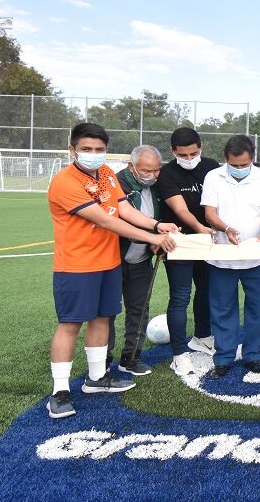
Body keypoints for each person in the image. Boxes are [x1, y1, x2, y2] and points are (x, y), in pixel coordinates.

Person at [45, 123, 178, 419]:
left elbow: (123, 209)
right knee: (70, 324)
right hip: (77, 265)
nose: (93, 155)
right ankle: (60, 391)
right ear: (72, 150)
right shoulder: (65, 182)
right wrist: (154, 238)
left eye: (99, 150)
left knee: (103, 318)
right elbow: (107, 221)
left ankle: (97, 378)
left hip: (109, 262)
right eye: (86, 149)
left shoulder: (106, 175)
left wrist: (156, 225)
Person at [200, 134, 260, 378]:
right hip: (222, 256)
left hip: (256, 257)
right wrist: (226, 229)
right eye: (234, 165)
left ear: (252, 159)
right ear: (226, 159)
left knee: (258, 308)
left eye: (244, 165)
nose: (239, 169)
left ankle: (253, 356)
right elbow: (209, 212)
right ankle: (223, 358)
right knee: (223, 309)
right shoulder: (214, 177)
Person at [155, 127, 219, 376]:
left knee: (206, 290)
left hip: (209, 240)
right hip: (179, 241)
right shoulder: (168, 173)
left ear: (201, 148)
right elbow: (180, 210)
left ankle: (202, 336)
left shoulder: (212, 166)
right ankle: (179, 354)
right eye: (184, 155)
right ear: (173, 152)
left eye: (194, 153)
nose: (190, 159)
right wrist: (201, 228)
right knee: (180, 296)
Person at [108, 145, 166, 377]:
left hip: (141, 260)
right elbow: (121, 218)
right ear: (131, 167)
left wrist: (157, 244)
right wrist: (154, 232)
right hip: (113, 259)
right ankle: (102, 361)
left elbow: (162, 217)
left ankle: (131, 358)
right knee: (107, 312)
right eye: (146, 170)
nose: (152, 176)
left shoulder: (158, 186)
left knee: (139, 309)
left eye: (157, 171)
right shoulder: (115, 184)